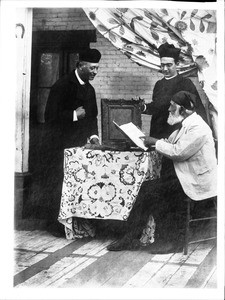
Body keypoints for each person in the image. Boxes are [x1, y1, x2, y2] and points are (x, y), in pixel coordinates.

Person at [107, 90, 217, 253]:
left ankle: (173, 241)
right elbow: (171, 142)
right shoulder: (187, 125)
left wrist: (155, 142)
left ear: (184, 110)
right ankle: (133, 237)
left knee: (155, 192)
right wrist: (151, 141)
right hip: (188, 176)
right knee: (147, 189)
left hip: (197, 181)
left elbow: (178, 152)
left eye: (172, 107)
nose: (169, 110)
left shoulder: (198, 128)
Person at [42, 48, 102, 236]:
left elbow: (92, 118)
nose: (95, 72)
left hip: (78, 147)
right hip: (58, 145)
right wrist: (75, 115)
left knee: (76, 185)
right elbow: (49, 116)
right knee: (60, 185)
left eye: (97, 68)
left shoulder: (90, 89)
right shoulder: (62, 85)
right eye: (92, 68)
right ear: (80, 65)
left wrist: (94, 136)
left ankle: (74, 224)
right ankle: (57, 227)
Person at [142, 42, 208, 139]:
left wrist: (204, 132)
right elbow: (157, 106)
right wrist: (143, 107)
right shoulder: (158, 84)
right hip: (157, 132)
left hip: (178, 133)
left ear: (176, 64)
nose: (165, 69)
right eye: (162, 65)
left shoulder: (186, 83)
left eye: (169, 65)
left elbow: (198, 108)